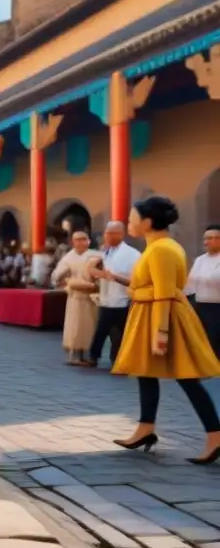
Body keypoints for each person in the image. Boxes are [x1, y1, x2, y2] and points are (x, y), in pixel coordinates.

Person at [112, 196, 220, 465]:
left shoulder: (162, 249)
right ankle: (146, 428)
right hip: (153, 315)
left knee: (186, 378)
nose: (129, 223)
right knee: (145, 371)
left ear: (147, 222)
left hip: (165, 318)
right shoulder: (157, 247)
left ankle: (216, 436)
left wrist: (161, 332)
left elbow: (164, 293)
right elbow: (157, 288)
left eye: (131, 218)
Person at [83, 221, 141, 369]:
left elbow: (136, 281)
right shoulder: (107, 252)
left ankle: (119, 360)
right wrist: (97, 273)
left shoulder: (133, 255)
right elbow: (97, 271)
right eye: (106, 233)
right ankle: (93, 357)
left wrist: (114, 277)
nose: (106, 236)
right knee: (101, 331)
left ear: (120, 234)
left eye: (111, 233)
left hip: (123, 301)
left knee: (121, 334)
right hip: (106, 299)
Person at [52, 230, 100, 365]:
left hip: (92, 297)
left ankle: (88, 355)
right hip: (75, 297)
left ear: (88, 241)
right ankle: (74, 355)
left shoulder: (96, 255)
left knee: (90, 327)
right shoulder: (68, 258)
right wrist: (62, 278)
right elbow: (56, 276)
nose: (80, 242)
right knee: (75, 327)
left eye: (83, 239)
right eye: (77, 240)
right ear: (72, 242)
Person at [186, 224, 220, 357]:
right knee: (202, 341)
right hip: (200, 306)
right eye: (207, 238)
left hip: (217, 308)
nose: (209, 241)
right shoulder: (200, 260)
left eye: (215, 238)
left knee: (215, 342)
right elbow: (190, 284)